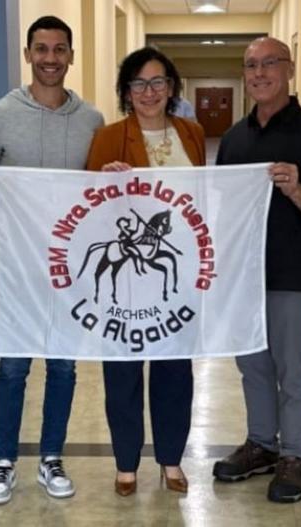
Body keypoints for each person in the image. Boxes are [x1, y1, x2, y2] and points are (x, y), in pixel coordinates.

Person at [0, 15, 104, 506]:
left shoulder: (91, 120)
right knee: (13, 370)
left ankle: (51, 457)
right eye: (42, 49)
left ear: (71, 56)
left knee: (63, 368)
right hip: (19, 269)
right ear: (28, 54)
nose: (51, 59)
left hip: (71, 270)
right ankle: (3, 462)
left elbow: (99, 190)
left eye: (60, 50)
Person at [209, 37, 301, 504]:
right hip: (241, 278)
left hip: (289, 274)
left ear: (289, 69)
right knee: (251, 367)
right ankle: (262, 444)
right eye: (250, 65)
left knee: (291, 370)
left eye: (270, 63)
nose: (259, 73)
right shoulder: (234, 138)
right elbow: (222, 209)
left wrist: (296, 190)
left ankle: (297, 456)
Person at [85, 46, 206, 497]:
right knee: (122, 372)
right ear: (126, 92)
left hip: (176, 283)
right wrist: (107, 181)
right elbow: (87, 208)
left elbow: (200, 201)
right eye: (139, 84)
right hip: (127, 282)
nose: (149, 92)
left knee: (175, 371)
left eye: (158, 82)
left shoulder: (191, 134)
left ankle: (172, 459)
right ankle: (126, 463)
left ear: (171, 88)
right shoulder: (109, 136)